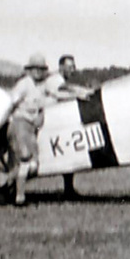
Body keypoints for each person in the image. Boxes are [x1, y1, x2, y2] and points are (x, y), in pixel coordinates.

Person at [0, 53, 60, 207]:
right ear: (29, 70)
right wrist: (0, 125)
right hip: (19, 124)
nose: (38, 72)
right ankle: (20, 198)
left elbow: (54, 96)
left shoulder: (43, 86)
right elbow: (11, 106)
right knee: (25, 158)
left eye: (41, 69)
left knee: (34, 166)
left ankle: (3, 182)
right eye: (35, 69)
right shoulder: (23, 84)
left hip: (31, 128)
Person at [49, 54, 94, 198]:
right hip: (46, 124)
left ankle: (68, 189)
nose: (73, 70)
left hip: (55, 124)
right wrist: (79, 94)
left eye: (73, 67)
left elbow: (69, 88)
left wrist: (82, 91)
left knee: (68, 158)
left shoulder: (60, 80)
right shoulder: (55, 80)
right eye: (70, 67)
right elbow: (60, 92)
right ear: (61, 67)